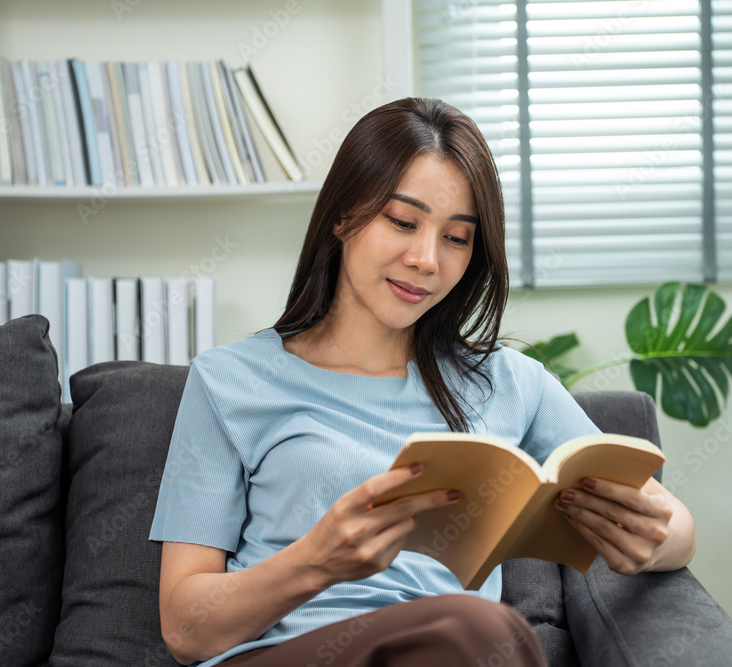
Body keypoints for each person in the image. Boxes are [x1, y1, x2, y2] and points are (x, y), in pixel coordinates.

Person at [148, 97, 697, 667]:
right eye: (403, 222)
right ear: (342, 217)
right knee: (478, 629)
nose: (426, 259)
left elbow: (674, 521)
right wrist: (315, 561)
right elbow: (186, 630)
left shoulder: (509, 383)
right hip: (285, 655)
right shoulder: (228, 381)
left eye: (456, 238)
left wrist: (652, 541)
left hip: (453, 651)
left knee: (476, 635)